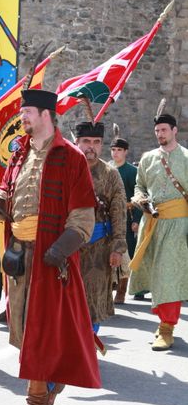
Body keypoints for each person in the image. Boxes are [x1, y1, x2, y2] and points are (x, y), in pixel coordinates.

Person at [0, 88, 100, 405]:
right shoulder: (19, 154)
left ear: (46, 114)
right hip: (20, 256)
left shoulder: (71, 157)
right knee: (23, 330)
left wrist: (59, 250)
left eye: (27, 112)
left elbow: (83, 218)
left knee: (40, 332)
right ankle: (49, 381)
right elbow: (8, 194)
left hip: (53, 258)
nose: (22, 119)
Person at [129, 111, 188, 351]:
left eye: (164, 130)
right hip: (151, 223)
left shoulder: (186, 157)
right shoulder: (148, 158)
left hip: (177, 224)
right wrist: (139, 198)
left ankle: (167, 328)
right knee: (155, 275)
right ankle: (163, 322)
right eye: (157, 131)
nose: (160, 134)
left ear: (174, 130)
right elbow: (139, 185)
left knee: (167, 275)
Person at [75, 122, 127, 335]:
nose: (91, 147)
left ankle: (88, 346)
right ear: (76, 142)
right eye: (86, 141)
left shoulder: (110, 174)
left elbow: (119, 212)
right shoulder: (64, 169)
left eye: (96, 142)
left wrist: (117, 247)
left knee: (93, 300)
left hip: (99, 246)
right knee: (66, 299)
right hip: (65, 246)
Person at [109, 128, 142, 303]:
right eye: (113, 150)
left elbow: (138, 195)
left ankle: (121, 291)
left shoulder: (132, 171)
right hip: (109, 217)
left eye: (119, 150)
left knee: (125, 253)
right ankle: (110, 288)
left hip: (127, 216)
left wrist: (136, 219)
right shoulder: (107, 168)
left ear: (126, 152)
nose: (116, 153)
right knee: (108, 252)